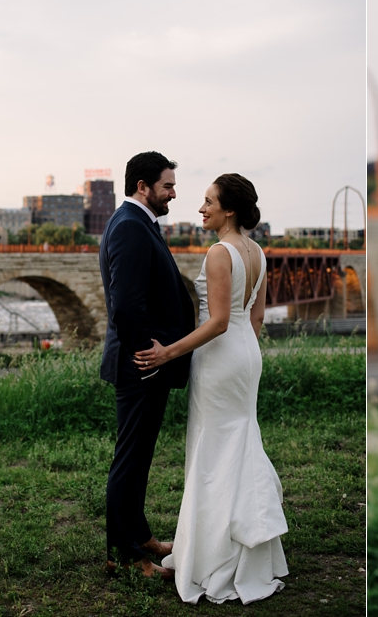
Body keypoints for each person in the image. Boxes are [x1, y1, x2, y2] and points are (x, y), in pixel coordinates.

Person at [134, 173, 288, 604]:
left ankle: (212, 556)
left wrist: (167, 354)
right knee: (239, 441)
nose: (200, 208)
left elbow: (217, 321)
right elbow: (253, 319)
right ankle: (242, 547)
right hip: (245, 355)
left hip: (220, 357)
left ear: (229, 209)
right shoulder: (257, 251)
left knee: (213, 449)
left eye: (208, 201)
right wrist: (243, 353)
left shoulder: (221, 253)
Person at [100, 150, 195, 580]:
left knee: (139, 458)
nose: (173, 193)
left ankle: (140, 537)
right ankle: (128, 555)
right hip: (141, 366)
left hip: (146, 365)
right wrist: (149, 352)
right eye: (167, 185)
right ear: (144, 186)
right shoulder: (131, 228)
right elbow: (126, 306)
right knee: (131, 460)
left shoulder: (138, 224)